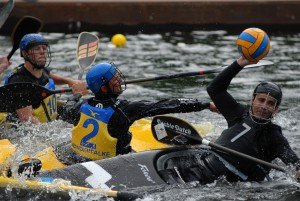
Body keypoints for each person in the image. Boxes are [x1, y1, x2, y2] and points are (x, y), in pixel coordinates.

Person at [159, 56, 300, 185]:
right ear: (252, 100)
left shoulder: (275, 137)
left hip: (226, 184)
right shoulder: (238, 112)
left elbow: (294, 162)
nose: (263, 106)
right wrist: (240, 64)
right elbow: (215, 89)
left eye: (270, 103)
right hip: (203, 165)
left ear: (276, 109)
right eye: (261, 100)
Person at [55, 62, 217, 164]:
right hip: (112, 164)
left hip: (77, 160)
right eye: (114, 79)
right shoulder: (124, 109)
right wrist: (204, 104)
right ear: (104, 88)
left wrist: (76, 93)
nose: (119, 80)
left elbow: (64, 110)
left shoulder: (81, 107)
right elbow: (167, 105)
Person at [4, 33, 87, 124]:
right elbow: (27, 120)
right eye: (37, 49)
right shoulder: (19, 82)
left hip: (46, 119)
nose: (42, 52)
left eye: (44, 48)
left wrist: (70, 81)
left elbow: (50, 75)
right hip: (20, 130)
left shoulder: (40, 70)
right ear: (24, 53)